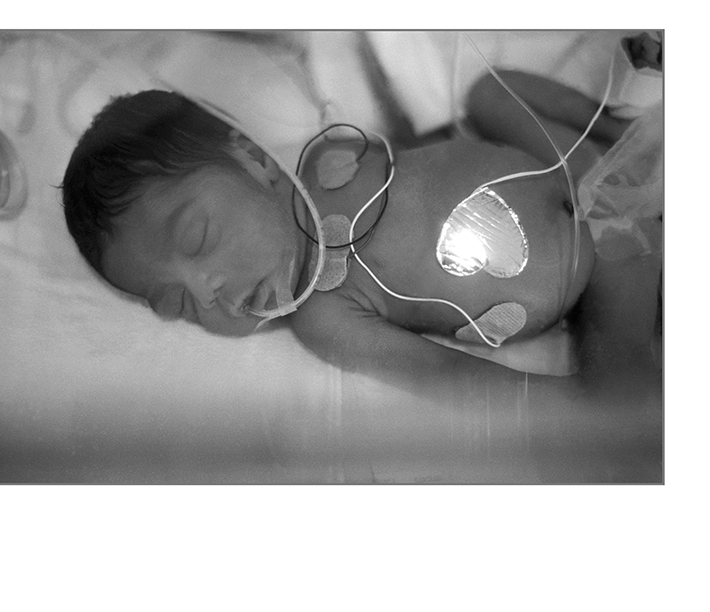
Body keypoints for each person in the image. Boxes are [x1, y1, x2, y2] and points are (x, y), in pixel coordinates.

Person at [61, 45, 662, 401]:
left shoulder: (327, 153)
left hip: (567, 165)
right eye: (179, 305)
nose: (206, 292)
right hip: (594, 268)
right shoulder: (325, 319)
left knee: (488, 93)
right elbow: (445, 375)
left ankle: (626, 133)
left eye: (198, 237)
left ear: (252, 159)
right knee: (618, 383)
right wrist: (548, 408)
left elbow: (419, 162)